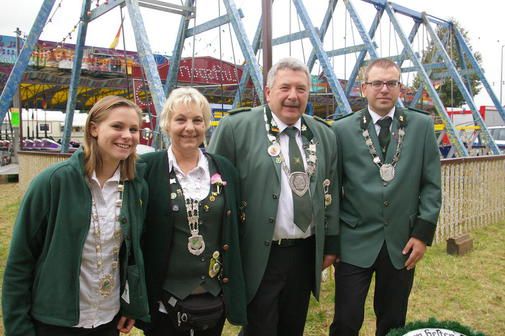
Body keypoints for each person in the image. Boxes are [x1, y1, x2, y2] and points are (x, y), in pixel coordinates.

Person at [208, 57, 339, 336]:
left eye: (301, 89)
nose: (293, 96)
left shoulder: (324, 135)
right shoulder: (236, 129)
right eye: (285, 88)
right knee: (260, 328)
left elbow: (331, 192)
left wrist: (332, 243)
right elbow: (215, 190)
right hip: (259, 252)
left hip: (304, 253)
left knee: (293, 327)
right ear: (268, 92)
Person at [2, 95, 150, 336]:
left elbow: (132, 254)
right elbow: (20, 261)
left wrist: (131, 305)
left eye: (134, 129)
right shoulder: (53, 182)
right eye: (117, 126)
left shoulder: (136, 187)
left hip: (106, 319)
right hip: (56, 322)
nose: (128, 136)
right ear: (93, 128)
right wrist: (18, 328)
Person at [329, 58, 442, 336]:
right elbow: (331, 189)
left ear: (400, 88)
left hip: (402, 242)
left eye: (391, 83)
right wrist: (334, 240)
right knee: (345, 320)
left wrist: (422, 234)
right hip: (354, 241)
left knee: (393, 321)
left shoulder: (421, 126)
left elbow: (431, 184)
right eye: (377, 83)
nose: (384, 89)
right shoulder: (341, 130)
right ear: (364, 88)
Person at [139, 87, 247, 336]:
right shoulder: (146, 168)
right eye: (181, 119)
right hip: (164, 298)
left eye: (197, 120)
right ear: (166, 124)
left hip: (213, 296)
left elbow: (235, 228)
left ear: (206, 124)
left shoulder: (224, 168)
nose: (190, 127)